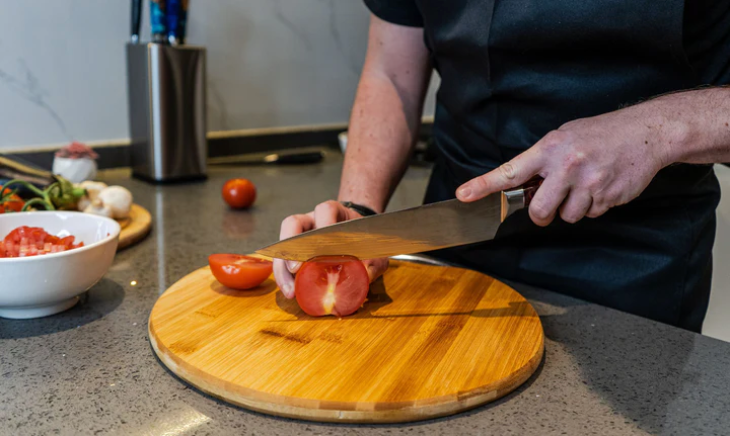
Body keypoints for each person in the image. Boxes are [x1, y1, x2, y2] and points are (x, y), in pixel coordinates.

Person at [274, 1, 730, 332]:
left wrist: (656, 127)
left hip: (634, 265)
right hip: (457, 240)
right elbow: (391, 70)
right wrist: (360, 212)